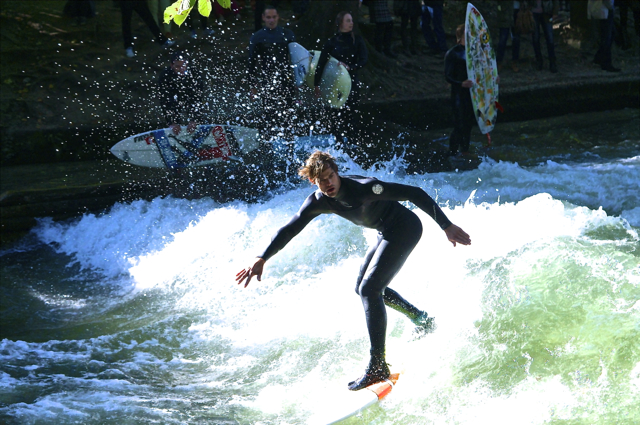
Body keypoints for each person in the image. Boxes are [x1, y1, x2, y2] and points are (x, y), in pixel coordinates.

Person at [236, 151, 471, 391]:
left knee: (370, 289)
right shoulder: (318, 201)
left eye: (331, 176)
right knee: (362, 288)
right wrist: (262, 256)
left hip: (405, 228)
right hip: (385, 232)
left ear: (337, 173)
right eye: (322, 180)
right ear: (313, 181)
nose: (328, 184)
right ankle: (421, 318)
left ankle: (378, 365)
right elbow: (290, 228)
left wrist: (447, 226)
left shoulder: (365, 188)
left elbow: (414, 193)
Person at [314, 11, 368, 144]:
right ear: (340, 23)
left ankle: (353, 141)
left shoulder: (358, 40)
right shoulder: (332, 42)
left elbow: (364, 60)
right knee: (335, 113)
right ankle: (337, 142)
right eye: (348, 20)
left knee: (351, 113)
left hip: (351, 82)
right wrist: (316, 84)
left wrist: (350, 67)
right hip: (335, 84)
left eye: (352, 20)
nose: (351, 23)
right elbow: (321, 64)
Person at [247, 5, 297, 139]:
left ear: (278, 17)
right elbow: (251, 63)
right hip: (266, 80)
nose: (271, 20)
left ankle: (289, 145)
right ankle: (268, 145)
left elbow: (296, 59)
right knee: (268, 114)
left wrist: (299, 80)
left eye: (274, 17)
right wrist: (252, 86)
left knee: (289, 116)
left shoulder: (287, 34)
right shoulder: (257, 37)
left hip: (286, 80)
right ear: (263, 18)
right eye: (268, 17)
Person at [157, 51, 208, 135]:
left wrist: (194, 120)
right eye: (177, 66)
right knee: (171, 104)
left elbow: (197, 98)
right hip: (173, 96)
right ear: (172, 65)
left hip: (190, 95)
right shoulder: (165, 75)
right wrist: (172, 122)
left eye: (183, 66)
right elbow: (165, 100)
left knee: (196, 109)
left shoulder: (194, 73)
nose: (181, 69)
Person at [444, 25, 475, 157]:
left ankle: (465, 150)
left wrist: (493, 78)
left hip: (471, 94)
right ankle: (452, 151)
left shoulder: (474, 52)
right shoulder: (453, 53)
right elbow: (448, 76)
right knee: (459, 124)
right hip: (458, 93)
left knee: (468, 123)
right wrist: (461, 83)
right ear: (460, 37)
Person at [588, 0, 621, 72]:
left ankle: (599, 57)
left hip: (599, 8)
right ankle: (605, 62)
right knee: (607, 36)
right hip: (604, 8)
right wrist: (611, 6)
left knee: (608, 34)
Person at [528, 0, 559, 73]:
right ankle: (539, 61)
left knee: (550, 38)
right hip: (534, 13)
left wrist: (555, 12)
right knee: (535, 38)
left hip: (546, 13)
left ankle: (552, 62)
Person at [496, 1, 522, 72]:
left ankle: (514, 62)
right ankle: (499, 63)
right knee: (502, 40)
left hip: (517, 12)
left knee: (516, 39)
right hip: (505, 13)